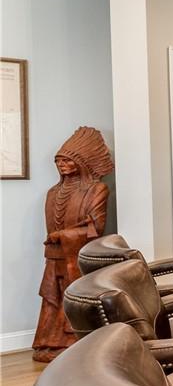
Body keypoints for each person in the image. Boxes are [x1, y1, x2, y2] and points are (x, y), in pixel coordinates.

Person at [32, 127, 113, 363]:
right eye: (58, 161)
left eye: (67, 160)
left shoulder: (97, 190)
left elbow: (95, 228)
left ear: (82, 162)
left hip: (78, 256)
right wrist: (56, 239)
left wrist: (64, 236)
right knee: (51, 298)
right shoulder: (52, 193)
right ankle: (49, 343)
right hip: (54, 255)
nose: (62, 165)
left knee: (75, 296)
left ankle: (76, 340)